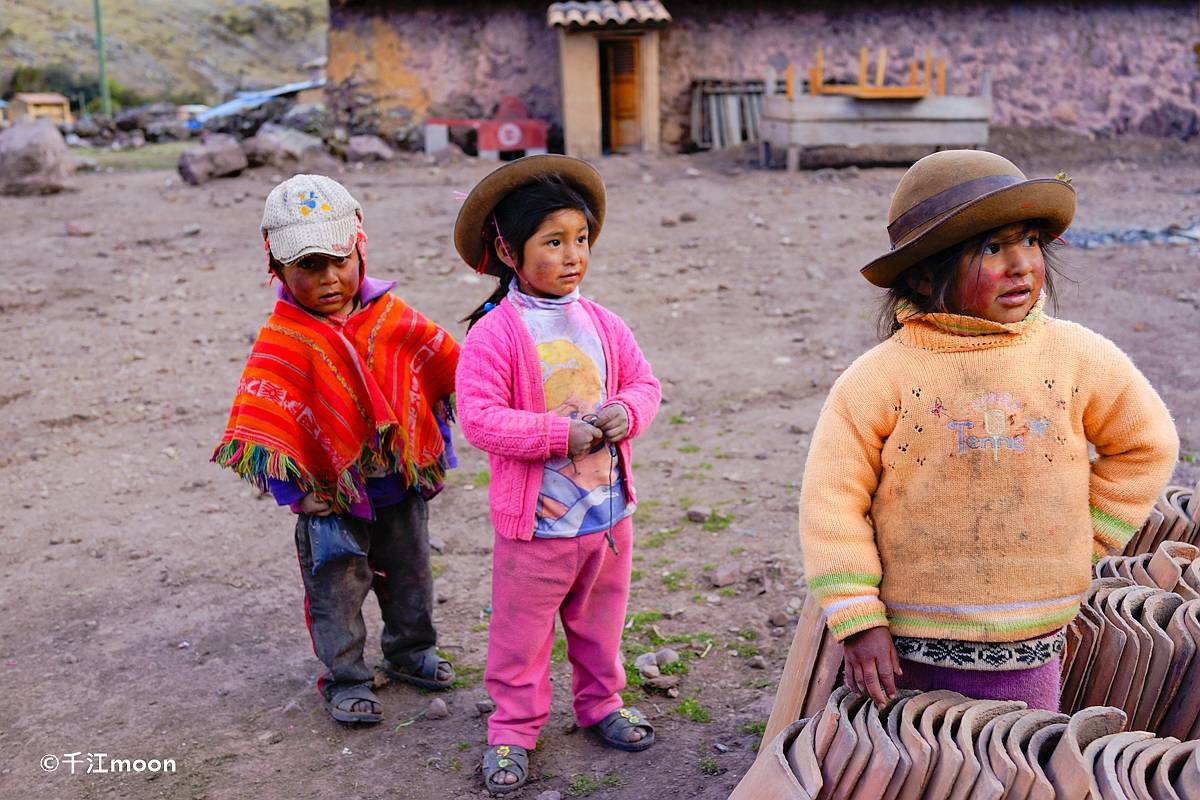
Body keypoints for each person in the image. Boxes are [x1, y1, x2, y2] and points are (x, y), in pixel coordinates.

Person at [799, 150, 1178, 712]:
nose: (1021, 263)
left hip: (1029, 642)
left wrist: (1087, 535)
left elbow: (1147, 444)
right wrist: (857, 618)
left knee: (1014, 763)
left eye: (1028, 240)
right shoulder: (881, 377)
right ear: (926, 275)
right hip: (906, 643)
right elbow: (831, 503)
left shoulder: (1076, 356)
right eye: (991, 248)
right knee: (917, 765)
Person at [212, 174, 460, 725]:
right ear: (276, 268)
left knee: (412, 577)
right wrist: (295, 493)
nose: (329, 278)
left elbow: (433, 379)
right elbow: (269, 420)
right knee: (336, 593)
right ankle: (346, 677)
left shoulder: (392, 317)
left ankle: (410, 653)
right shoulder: (285, 339)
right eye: (307, 266)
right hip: (330, 501)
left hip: (399, 488)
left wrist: (433, 455)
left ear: (360, 247)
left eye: (339, 260)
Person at [453, 155, 661, 794]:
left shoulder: (603, 324)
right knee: (521, 634)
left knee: (602, 621)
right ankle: (513, 730)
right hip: (536, 529)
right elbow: (479, 417)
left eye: (580, 240)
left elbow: (644, 384)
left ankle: (600, 704)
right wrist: (552, 434)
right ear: (509, 252)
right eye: (553, 242)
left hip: (606, 517)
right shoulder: (496, 335)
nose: (573, 255)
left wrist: (627, 411)